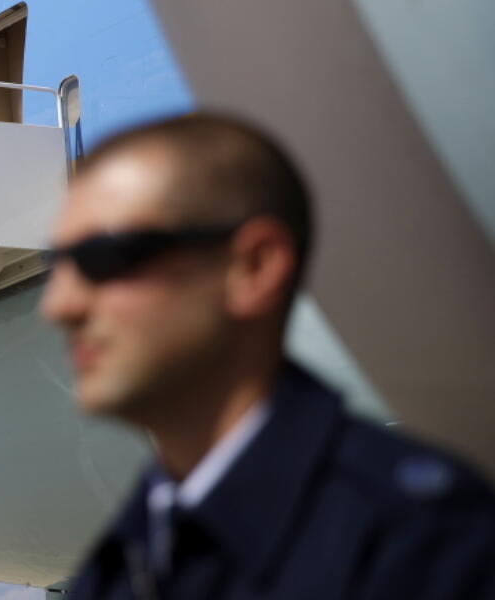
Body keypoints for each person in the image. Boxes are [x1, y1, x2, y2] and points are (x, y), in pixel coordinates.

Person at [39, 112, 495, 600]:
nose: (58, 306)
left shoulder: (429, 550)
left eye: (106, 257)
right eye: (55, 266)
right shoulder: (124, 566)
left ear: (253, 266)